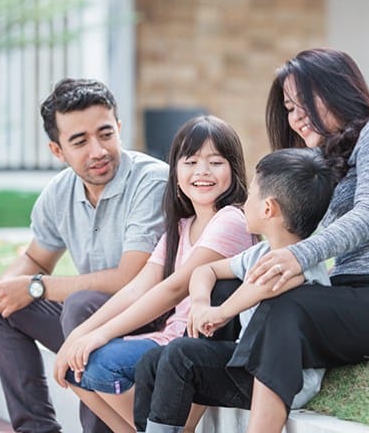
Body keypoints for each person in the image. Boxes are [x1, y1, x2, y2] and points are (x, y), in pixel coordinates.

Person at [138, 48, 369, 433]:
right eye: (288, 107)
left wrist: (297, 258)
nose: (296, 117)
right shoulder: (325, 157)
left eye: (304, 103)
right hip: (350, 294)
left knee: (287, 305)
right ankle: (198, 382)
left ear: (338, 91)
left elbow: (368, 215)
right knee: (224, 291)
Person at [0, 78, 169, 433]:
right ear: (57, 150)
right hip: (92, 321)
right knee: (2, 308)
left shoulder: (150, 181)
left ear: (119, 128)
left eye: (106, 134)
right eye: (80, 141)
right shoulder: (60, 193)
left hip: (149, 320)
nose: (98, 150)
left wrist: (35, 287)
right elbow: (36, 258)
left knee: (80, 304)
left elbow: (130, 279)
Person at [52, 115, 257, 432]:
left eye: (215, 162)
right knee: (72, 368)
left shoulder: (231, 220)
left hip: (196, 348)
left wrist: (101, 335)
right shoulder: (180, 227)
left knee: (101, 365)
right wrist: (78, 336)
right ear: (175, 172)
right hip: (169, 338)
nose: (202, 172)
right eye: (190, 162)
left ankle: (175, 426)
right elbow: (138, 287)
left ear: (233, 170)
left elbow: (175, 288)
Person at [133, 147, 336, 432]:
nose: (244, 202)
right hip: (248, 364)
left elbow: (262, 287)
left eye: (251, 193)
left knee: (181, 355)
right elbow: (207, 270)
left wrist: (222, 312)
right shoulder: (261, 252)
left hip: (280, 381)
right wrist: (202, 304)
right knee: (152, 362)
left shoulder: (301, 263)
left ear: (268, 208)